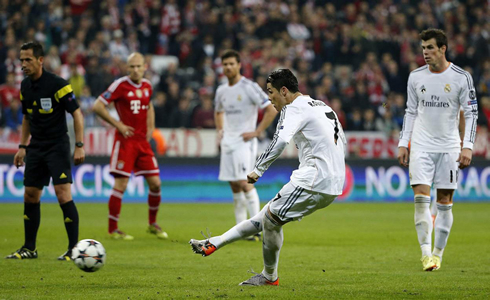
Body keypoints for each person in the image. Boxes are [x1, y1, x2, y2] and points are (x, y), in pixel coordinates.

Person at [190, 69, 346, 286]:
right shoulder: (322, 106)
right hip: (333, 179)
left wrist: (258, 169)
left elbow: (280, 141)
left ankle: (269, 277)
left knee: (271, 220)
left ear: (284, 91)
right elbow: (341, 141)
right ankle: (215, 242)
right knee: (266, 216)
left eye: (271, 92)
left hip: (314, 178)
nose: (269, 98)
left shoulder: (294, 108)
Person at [397, 29, 478, 271]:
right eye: (423, 48)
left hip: (449, 147)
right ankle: (425, 256)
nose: (425, 52)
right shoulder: (415, 77)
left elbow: (472, 114)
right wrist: (404, 142)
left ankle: (438, 254)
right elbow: (410, 112)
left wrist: (468, 147)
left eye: (430, 47)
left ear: (443, 48)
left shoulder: (461, 77)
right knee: (421, 199)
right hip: (421, 146)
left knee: (444, 202)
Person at [5, 42, 85, 260]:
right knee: (30, 195)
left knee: (63, 195)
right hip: (36, 147)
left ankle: (74, 250)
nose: (23, 64)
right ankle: (29, 248)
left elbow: (77, 114)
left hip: (57, 146)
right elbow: (26, 117)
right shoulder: (25, 87)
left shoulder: (58, 84)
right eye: (21, 60)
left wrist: (79, 145)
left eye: (28, 59)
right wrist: (22, 147)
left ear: (40, 60)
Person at [93, 52, 167, 241]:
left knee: (156, 184)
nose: (135, 70)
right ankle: (113, 229)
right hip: (125, 141)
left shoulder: (148, 85)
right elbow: (97, 106)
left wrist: (151, 128)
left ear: (144, 67)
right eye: (131, 67)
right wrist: (118, 124)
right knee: (121, 184)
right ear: (127, 68)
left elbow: (149, 106)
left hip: (142, 142)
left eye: (138, 66)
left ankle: (152, 224)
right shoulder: (120, 85)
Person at [214, 50, 277, 240]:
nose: (228, 67)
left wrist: (257, 132)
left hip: (244, 142)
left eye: (232, 63)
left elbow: (271, 109)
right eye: (225, 64)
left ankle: (257, 226)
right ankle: (242, 230)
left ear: (239, 65)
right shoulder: (221, 90)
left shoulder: (249, 87)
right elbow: (218, 111)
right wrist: (220, 131)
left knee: (244, 182)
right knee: (234, 185)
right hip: (228, 142)